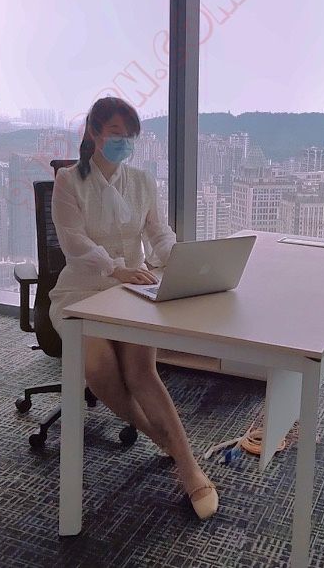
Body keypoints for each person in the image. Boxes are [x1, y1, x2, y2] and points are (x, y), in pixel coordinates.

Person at [48, 96, 218, 520]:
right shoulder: (69, 181)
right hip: (82, 293)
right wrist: (116, 268)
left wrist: (179, 260)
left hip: (132, 290)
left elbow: (158, 233)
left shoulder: (141, 181)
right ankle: (164, 439)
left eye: (130, 136)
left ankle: (188, 467)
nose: (124, 142)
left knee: (142, 372)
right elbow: (73, 242)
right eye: (115, 134)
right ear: (94, 133)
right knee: (101, 368)